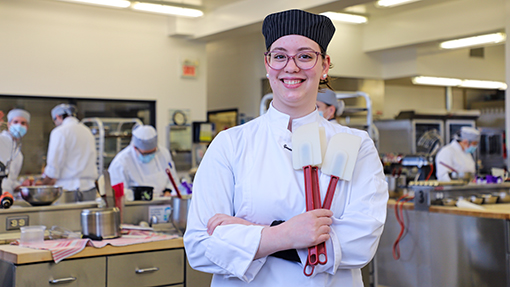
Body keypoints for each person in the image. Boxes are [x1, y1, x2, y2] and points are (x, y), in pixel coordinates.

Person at [184, 9, 388, 286]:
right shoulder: (230, 144)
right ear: (267, 64)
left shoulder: (354, 145)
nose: (291, 67)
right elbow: (200, 247)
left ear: (325, 65)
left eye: (305, 56)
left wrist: (253, 234)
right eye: (279, 56)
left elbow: (359, 245)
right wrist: (286, 234)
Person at [37, 104, 98, 201]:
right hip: (89, 189)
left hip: (69, 190)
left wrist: (41, 185)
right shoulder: (87, 131)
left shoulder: (60, 132)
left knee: (68, 216)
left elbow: (54, 166)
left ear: (57, 117)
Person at [108, 125, 179, 201]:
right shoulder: (120, 162)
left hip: (163, 204)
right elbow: (118, 194)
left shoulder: (163, 153)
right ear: (135, 147)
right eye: (145, 154)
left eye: (152, 152)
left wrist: (168, 191)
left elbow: (173, 179)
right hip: (135, 207)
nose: (149, 156)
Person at [0, 109, 31, 193]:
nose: (19, 125)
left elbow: (10, 180)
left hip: (7, 196)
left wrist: (20, 186)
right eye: (15, 122)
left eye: (23, 123)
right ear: (9, 124)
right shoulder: (2, 140)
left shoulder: (18, 153)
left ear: (27, 127)